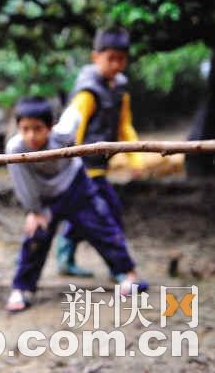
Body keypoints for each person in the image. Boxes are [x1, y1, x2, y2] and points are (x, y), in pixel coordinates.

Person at [5, 96, 147, 312]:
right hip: (45, 199)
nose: (31, 135)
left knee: (102, 226)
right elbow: (23, 184)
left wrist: (81, 98)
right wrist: (34, 211)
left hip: (76, 187)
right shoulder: (15, 149)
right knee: (35, 237)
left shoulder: (62, 135)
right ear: (17, 128)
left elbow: (75, 113)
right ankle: (22, 288)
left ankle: (128, 274)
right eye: (25, 129)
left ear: (50, 127)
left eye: (37, 128)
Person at [54, 27, 144, 278]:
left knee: (86, 216)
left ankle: (65, 256)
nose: (116, 64)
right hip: (83, 169)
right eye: (110, 58)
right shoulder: (87, 92)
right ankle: (120, 269)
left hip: (99, 168)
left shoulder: (120, 89)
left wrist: (135, 158)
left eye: (121, 59)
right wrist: (71, 164)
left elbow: (124, 125)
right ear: (96, 57)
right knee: (108, 215)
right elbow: (73, 131)